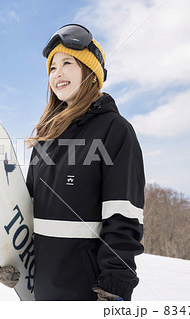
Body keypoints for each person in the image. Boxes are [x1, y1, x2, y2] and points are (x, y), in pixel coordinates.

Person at [25, 24, 145, 301]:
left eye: (67, 63)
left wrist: (115, 283)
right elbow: (27, 207)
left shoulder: (114, 130)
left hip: (88, 289)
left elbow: (123, 214)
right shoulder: (45, 137)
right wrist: (6, 255)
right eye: (52, 68)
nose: (57, 74)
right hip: (41, 287)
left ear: (90, 72)